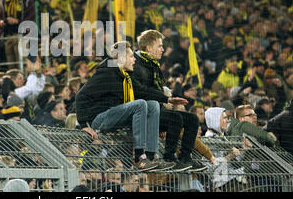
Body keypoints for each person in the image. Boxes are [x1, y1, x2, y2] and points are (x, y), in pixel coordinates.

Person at [75, 41, 173, 172]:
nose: (134, 60)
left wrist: (167, 99)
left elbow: (144, 91)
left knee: (153, 104)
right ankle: (139, 157)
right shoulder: (106, 73)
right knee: (140, 104)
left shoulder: (125, 76)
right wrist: (84, 125)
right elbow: (81, 96)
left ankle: (151, 156)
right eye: (131, 56)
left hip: (114, 117)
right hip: (99, 119)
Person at [133, 29, 202, 172]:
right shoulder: (136, 65)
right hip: (144, 112)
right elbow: (141, 91)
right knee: (175, 118)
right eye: (159, 46)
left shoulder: (153, 65)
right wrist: (167, 98)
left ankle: (185, 157)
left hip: (158, 108)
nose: (163, 49)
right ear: (148, 48)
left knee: (192, 119)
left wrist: (170, 98)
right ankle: (169, 159)